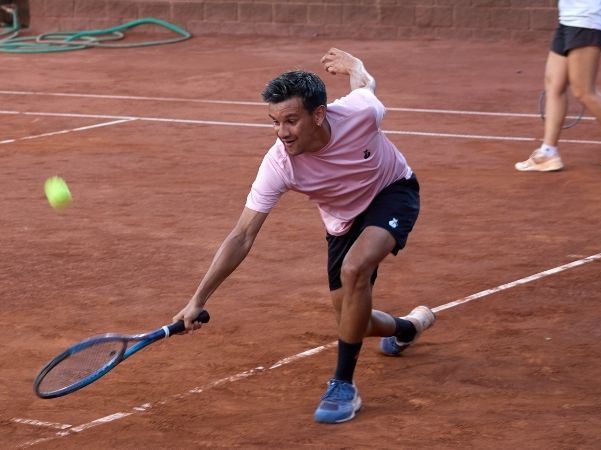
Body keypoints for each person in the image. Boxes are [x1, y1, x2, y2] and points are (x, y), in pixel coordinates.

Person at [173, 48, 436, 424]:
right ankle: (409, 326)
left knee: (355, 269)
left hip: (391, 190)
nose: (282, 133)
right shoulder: (279, 163)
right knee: (352, 320)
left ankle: (343, 385)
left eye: (291, 121)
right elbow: (243, 235)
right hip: (342, 221)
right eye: (275, 122)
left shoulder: (360, 114)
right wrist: (197, 299)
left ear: (319, 114)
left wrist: (356, 67)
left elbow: (366, 86)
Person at [515, 0, 601, 174]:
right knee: (554, 84)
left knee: (583, 91)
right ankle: (548, 153)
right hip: (569, 19)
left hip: (588, 20)